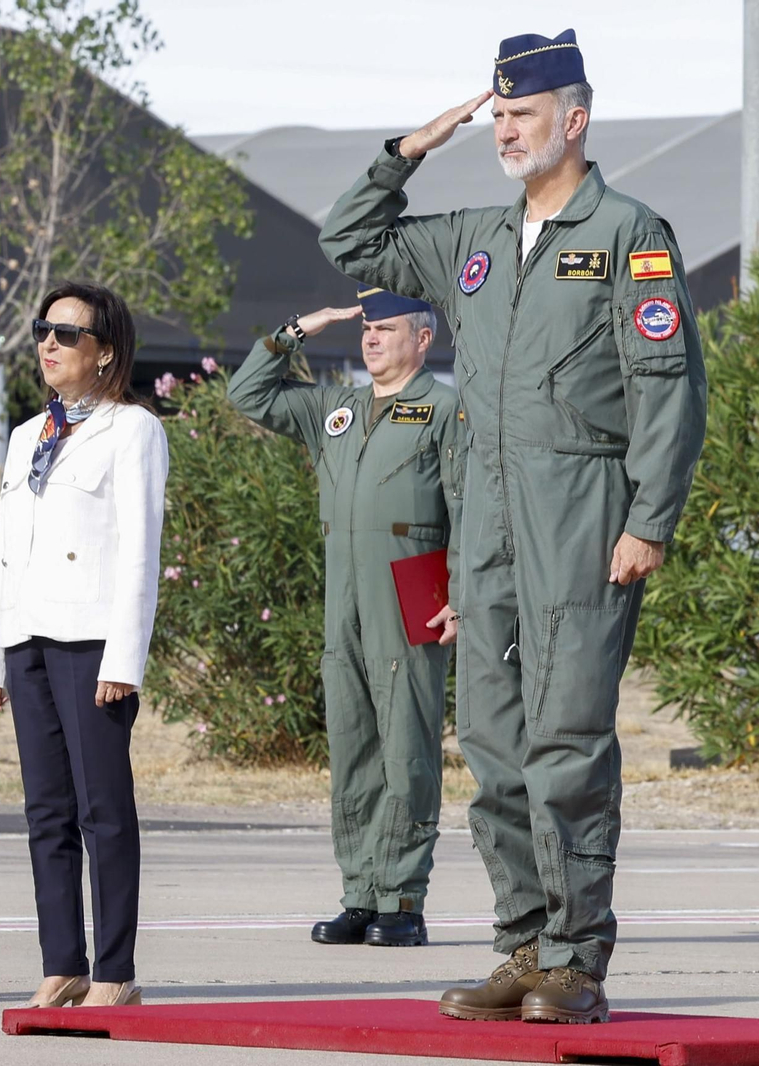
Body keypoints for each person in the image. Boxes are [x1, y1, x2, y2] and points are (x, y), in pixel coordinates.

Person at [319, 28, 707, 1022]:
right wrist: (412, 148)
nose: (503, 130)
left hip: (581, 518)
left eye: (520, 115)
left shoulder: (627, 231)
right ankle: (521, 946)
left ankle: (576, 957)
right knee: (493, 743)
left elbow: (665, 385)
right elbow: (350, 240)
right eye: (494, 115)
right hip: (484, 527)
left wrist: (647, 518)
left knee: (567, 739)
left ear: (573, 121)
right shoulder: (475, 241)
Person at [226, 287, 464, 949]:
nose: (372, 338)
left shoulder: (445, 409)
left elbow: (472, 505)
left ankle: (403, 898)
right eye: (367, 328)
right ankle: (360, 894)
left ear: (423, 339)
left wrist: (464, 591)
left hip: (414, 586)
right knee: (353, 749)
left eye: (387, 329)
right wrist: (297, 329)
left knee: (407, 751)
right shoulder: (338, 407)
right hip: (346, 596)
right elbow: (248, 394)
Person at [0, 282, 168, 1009]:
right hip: (27, 638)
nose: (48, 344)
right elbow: (6, 554)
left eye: (67, 333)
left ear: (105, 352)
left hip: (91, 643)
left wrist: (125, 659)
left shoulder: (134, 430)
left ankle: (114, 971)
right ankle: (64, 962)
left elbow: (139, 557)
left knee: (103, 810)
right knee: (45, 811)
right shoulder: (29, 435)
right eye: (42, 331)